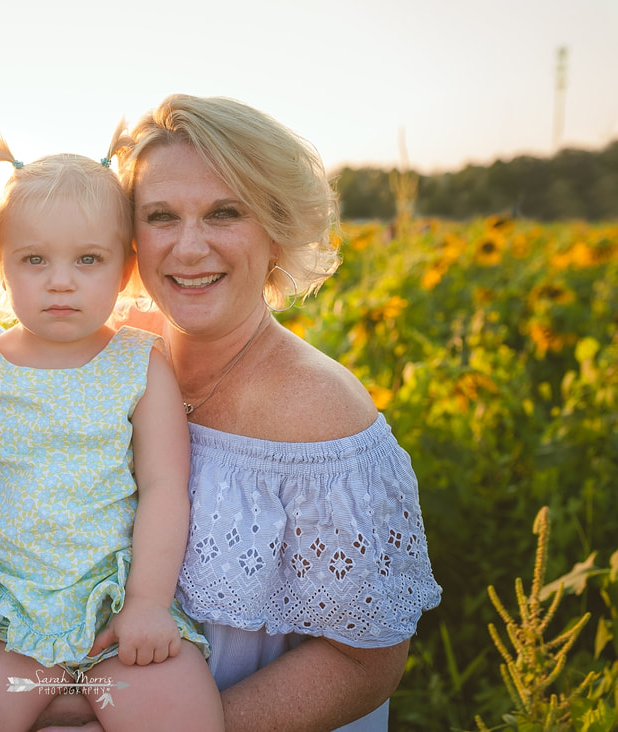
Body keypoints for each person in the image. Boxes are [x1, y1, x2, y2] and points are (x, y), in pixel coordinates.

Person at [111, 94, 443, 730]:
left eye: (224, 213)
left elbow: (363, 663)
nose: (187, 248)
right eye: (160, 216)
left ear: (276, 228)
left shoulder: (320, 413)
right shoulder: (111, 356)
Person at [0, 136, 224, 732]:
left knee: (183, 714)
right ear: (0, 264)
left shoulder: (142, 362)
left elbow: (165, 486)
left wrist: (147, 604)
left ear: (126, 266)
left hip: (117, 615)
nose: (61, 282)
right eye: (35, 260)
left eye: (88, 259)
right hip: (6, 620)